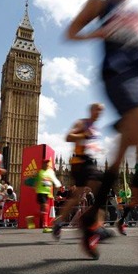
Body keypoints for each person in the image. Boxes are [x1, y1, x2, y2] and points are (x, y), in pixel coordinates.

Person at [67, 0, 138, 258]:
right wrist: (94, 34)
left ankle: (90, 219)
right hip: (116, 77)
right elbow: (71, 32)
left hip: (137, 83)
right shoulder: (101, 3)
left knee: (122, 155)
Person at [52, 103, 105, 240]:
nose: (99, 113)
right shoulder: (82, 123)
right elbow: (68, 137)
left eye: (101, 111)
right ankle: (96, 226)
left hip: (88, 162)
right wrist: (83, 134)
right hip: (81, 162)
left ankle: (58, 222)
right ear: (92, 110)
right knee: (100, 191)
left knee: (76, 197)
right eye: (97, 110)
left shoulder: (95, 128)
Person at [35, 159, 61, 234]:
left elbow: (53, 180)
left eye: (47, 163)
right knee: (45, 208)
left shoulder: (50, 172)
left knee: (44, 210)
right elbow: (36, 181)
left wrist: (56, 184)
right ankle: (45, 226)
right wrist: (35, 186)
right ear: (42, 164)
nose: (47, 164)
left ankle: (35, 215)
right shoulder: (40, 172)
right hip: (41, 192)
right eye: (45, 163)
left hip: (47, 193)